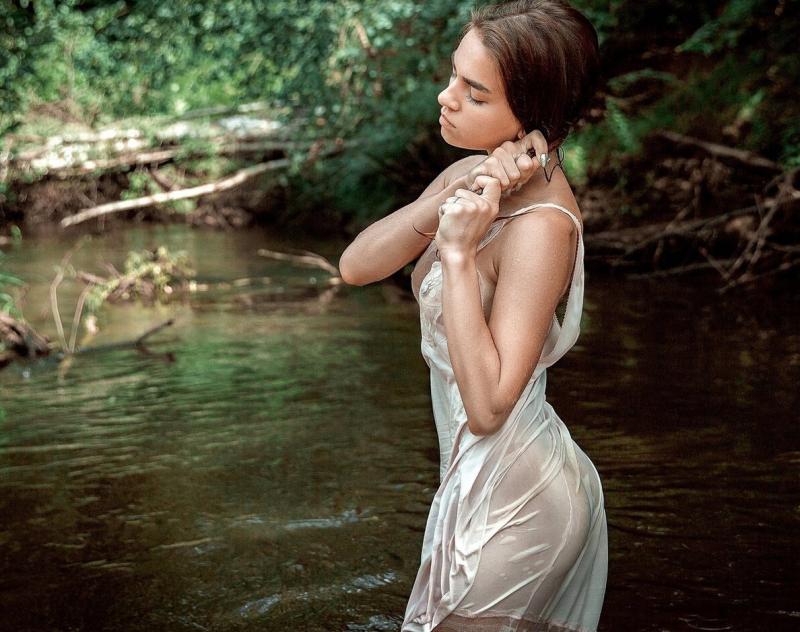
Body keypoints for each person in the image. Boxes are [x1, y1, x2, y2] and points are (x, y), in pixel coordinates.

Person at [339, 1, 607, 630]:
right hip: (470, 482)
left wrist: (458, 253)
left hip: (522, 501)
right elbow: (355, 266)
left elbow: (488, 409)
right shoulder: (470, 171)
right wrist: (454, 197)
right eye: (454, 75)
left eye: (475, 92)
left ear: (533, 114)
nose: (447, 96)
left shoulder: (542, 229)